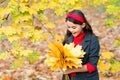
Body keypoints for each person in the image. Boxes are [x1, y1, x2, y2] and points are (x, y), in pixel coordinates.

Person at [62, 10, 100, 80]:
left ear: (83, 25)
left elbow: (92, 66)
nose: (71, 30)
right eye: (68, 27)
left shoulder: (92, 40)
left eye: (74, 27)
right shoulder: (68, 38)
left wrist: (72, 70)